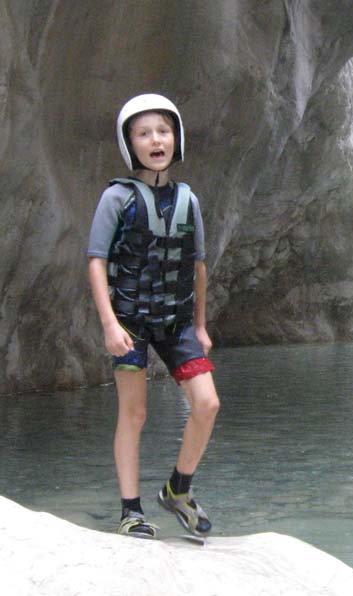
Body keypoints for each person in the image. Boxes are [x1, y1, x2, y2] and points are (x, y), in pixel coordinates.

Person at [87, 94, 220, 539]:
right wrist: (109, 324)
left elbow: (198, 266)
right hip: (130, 322)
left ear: (176, 138)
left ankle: (178, 489)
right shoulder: (116, 198)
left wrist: (199, 325)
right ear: (130, 144)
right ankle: (130, 511)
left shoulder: (188, 200)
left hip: (177, 323)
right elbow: (96, 261)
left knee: (207, 404)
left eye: (163, 131)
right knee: (135, 413)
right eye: (143, 133)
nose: (155, 140)